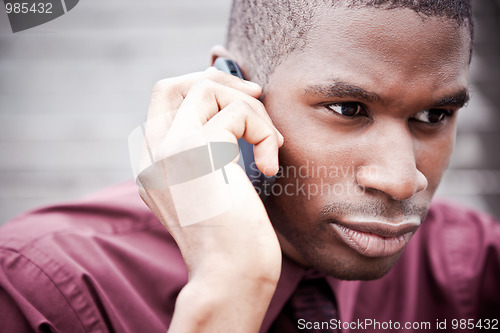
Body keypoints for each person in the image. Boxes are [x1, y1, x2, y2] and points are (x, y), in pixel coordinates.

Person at [1, 0, 499, 332]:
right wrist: (229, 284)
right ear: (226, 88)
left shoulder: (471, 267)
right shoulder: (40, 291)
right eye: (348, 109)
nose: (400, 180)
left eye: (434, 116)